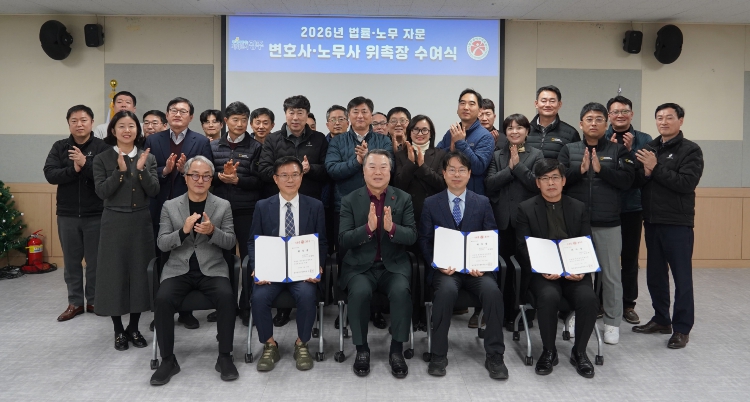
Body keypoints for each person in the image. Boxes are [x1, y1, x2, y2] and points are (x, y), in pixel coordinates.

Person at [418, 151, 508, 379]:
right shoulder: (431, 203)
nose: (456, 174)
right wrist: (436, 264)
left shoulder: (482, 202)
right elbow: (425, 240)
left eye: (461, 170)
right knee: (446, 291)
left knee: (493, 292)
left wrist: (485, 264)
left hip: (478, 271)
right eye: (452, 170)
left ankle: (495, 355)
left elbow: (491, 237)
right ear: (443, 173)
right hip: (446, 271)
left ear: (469, 174)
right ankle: (438, 354)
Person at [150, 156, 238, 385]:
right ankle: (168, 360)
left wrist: (212, 232)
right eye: (195, 175)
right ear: (186, 178)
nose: (200, 180)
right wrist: (183, 231)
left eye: (206, 176)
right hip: (178, 268)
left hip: (212, 268)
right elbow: (162, 244)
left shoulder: (222, 205)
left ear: (211, 179)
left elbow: (230, 242)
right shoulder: (170, 206)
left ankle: (225, 356)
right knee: (162, 299)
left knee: (227, 297)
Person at [558, 102, 634, 345]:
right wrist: (578, 171)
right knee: (576, 275)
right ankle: (575, 316)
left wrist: (602, 170)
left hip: (608, 223)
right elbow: (556, 181)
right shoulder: (569, 150)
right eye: (589, 119)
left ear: (606, 123)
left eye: (599, 119)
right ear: (581, 124)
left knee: (611, 276)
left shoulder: (618, 151)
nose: (594, 123)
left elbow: (628, 181)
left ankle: (612, 323)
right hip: (575, 225)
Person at [515, 158, 599, 378]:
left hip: (574, 270)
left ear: (563, 181)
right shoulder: (525, 208)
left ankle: (579, 352)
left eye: (555, 177)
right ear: (538, 183)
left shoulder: (578, 207)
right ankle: (549, 351)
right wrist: (542, 267)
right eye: (545, 178)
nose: (550, 183)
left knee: (588, 298)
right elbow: (523, 246)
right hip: (543, 271)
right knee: (549, 296)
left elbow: (586, 242)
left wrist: (581, 269)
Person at [338, 149, 417, 378]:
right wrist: (368, 229)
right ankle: (362, 349)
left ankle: (396, 350)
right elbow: (343, 240)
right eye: (372, 167)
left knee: (401, 291)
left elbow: (412, 236)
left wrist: (392, 228)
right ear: (363, 172)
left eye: (383, 167)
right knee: (360, 292)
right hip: (360, 267)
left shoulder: (403, 198)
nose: (378, 172)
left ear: (390, 172)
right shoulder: (350, 200)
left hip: (393, 265)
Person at [632, 103, 703, 349]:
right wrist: (646, 172)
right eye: (659, 117)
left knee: (682, 277)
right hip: (652, 221)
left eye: (669, 117)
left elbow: (686, 183)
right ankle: (661, 319)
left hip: (677, 223)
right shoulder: (649, 148)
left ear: (680, 120)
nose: (663, 122)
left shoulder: (690, 150)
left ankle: (682, 328)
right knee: (655, 275)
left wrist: (656, 167)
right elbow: (638, 181)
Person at [247, 156, 327, 372]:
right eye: (284, 175)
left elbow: (321, 242)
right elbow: (253, 241)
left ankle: (302, 343)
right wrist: (257, 266)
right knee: (259, 297)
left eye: (294, 175)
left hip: (302, 270)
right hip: (271, 270)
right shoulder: (263, 206)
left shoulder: (315, 205)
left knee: (307, 295)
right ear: (275, 179)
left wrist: (318, 265)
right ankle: (269, 344)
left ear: (301, 177)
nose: (290, 180)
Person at [257, 95, 329, 327]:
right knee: (278, 254)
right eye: (291, 112)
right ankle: (283, 309)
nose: (295, 117)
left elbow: (327, 170)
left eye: (300, 113)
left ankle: (308, 305)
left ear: (307, 115)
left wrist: (310, 169)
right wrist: (287, 173)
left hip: (309, 207)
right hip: (280, 206)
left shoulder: (319, 139)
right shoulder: (273, 139)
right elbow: (263, 169)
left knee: (305, 256)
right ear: (285, 114)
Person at [144, 97, 213, 329]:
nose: (177, 114)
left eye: (183, 111)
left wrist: (187, 172)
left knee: (187, 257)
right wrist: (165, 171)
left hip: (189, 208)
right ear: (166, 115)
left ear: (191, 117)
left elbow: (207, 173)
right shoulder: (153, 139)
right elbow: (146, 174)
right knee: (161, 258)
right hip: (159, 205)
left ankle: (186, 311)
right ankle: (161, 311)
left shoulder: (200, 141)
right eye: (173, 110)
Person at [92, 110, 159, 351]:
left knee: (140, 274)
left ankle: (134, 327)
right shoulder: (101, 159)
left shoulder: (147, 157)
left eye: (131, 126)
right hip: (114, 222)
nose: (127, 130)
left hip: (141, 222)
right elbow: (102, 192)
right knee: (114, 274)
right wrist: (119, 172)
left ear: (137, 131)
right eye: (121, 126)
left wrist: (141, 170)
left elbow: (154, 190)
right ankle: (118, 329)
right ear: (113, 130)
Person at [44, 105, 109, 322]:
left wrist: (85, 163)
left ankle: (94, 300)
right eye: (74, 121)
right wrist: (74, 169)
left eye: (83, 120)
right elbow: (50, 174)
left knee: (95, 262)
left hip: (96, 213)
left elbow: (106, 176)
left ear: (92, 122)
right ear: (69, 124)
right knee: (71, 262)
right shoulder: (60, 146)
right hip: (67, 214)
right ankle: (75, 302)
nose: (79, 124)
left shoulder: (102, 147)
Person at [484, 113, 543, 329]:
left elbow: (536, 184)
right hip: (502, 221)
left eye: (519, 128)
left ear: (527, 131)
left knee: (526, 269)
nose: (514, 131)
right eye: (510, 128)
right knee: (504, 270)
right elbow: (490, 183)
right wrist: (510, 169)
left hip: (526, 221)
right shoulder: (497, 155)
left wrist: (518, 167)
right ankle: (503, 313)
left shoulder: (536, 154)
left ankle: (522, 315)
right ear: (505, 132)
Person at [210, 101, 263, 324]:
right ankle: (226, 304)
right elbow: (206, 176)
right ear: (226, 121)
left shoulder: (256, 147)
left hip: (246, 209)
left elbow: (260, 180)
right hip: (220, 211)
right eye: (235, 119)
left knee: (250, 258)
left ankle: (246, 304)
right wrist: (219, 178)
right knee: (223, 259)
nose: (240, 124)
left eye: (243, 120)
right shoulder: (213, 146)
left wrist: (238, 180)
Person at [604, 95, 653, 325]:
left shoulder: (644, 139)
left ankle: (628, 304)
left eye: (624, 111)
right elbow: (603, 170)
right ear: (609, 116)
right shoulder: (601, 137)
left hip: (632, 206)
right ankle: (600, 301)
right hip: (605, 206)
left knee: (630, 258)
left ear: (631, 114)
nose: (620, 115)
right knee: (602, 258)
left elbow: (642, 174)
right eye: (615, 112)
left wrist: (629, 152)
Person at [325, 96, 393, 253]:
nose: (360, 116)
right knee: (346, 250)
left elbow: (390, 167)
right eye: (355, 112)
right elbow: (332, 169)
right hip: (345, 205)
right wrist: (357, 162)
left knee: (376, 250)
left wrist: (369, 160)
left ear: (371, 115)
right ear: (349, 116)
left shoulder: (383, 140)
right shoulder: (337, 141)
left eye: (364, 111)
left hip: (379, 203)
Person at [436, 88, 495, 195]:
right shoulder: (451, 132)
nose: (466, 107)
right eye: (462, 103)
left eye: (471, 104)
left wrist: (460, 143)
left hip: (472, 196)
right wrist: (450, 150)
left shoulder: (485, 136)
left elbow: (478, 167)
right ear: (457, 109)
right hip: (448, 193)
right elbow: (436, 157)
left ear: (479, 111)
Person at [393, 115, 447, 231]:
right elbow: (398, 186)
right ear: (410, 132)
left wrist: (422, 166)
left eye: (424, 130)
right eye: (416, 129)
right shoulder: (400, 155)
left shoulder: (440, 154)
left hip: (432, 210)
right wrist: (410, 163)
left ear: (431, 133)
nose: (420, 133)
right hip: (407, 211)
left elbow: (442, 185)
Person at [322, 104, 349, 256]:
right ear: (327, 124)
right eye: (333, 120)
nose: (337, 123)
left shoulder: (355, 144)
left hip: (345, 199)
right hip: (324, 198)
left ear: (348, 122)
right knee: (325, 239)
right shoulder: (320, 143)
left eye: (341, 119)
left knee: (342, 242)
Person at [526, 85, 581, 159]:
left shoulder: (571, 133)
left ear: (559, 104)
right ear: (536, 104)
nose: (547, 105)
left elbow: (575, 161)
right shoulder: (525, 131)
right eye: (543, 101)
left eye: (552, 101)